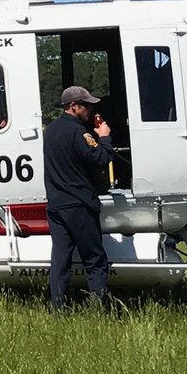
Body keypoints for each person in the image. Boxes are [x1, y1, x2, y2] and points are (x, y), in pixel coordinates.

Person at [44, 83, 113, 309]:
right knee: (95, 260)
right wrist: (104, 137)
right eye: (86, 106)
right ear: (73, 106)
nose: (90, 110)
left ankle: (58, 308)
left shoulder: (50, 130)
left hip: (56, 206)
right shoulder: (78, 132)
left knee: (60, 261)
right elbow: (101, 158)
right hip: (79, 205)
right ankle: (97, 308)